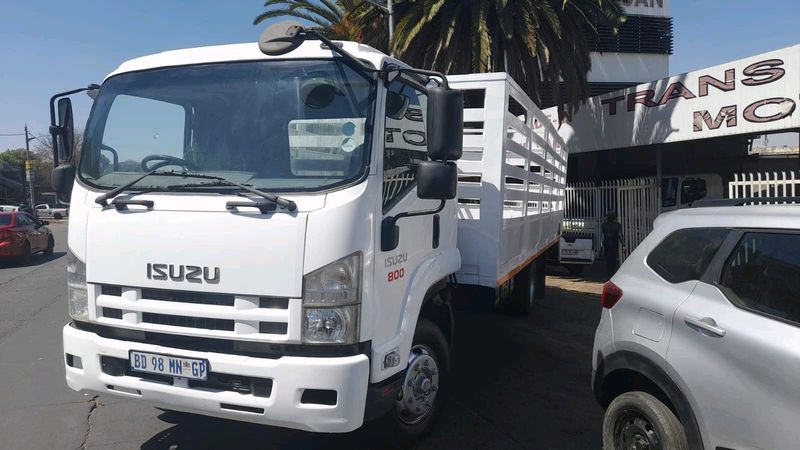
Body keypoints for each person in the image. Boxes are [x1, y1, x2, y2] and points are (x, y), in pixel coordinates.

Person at [602, 211, 623, 279]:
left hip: (607, 244)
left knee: (608, 261)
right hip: (614, 244)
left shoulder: (604, 225)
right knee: (613, 261)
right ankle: (612, 275)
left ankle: (609, 275)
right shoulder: (617, 225)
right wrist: (623, 245)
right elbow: (620, 235)